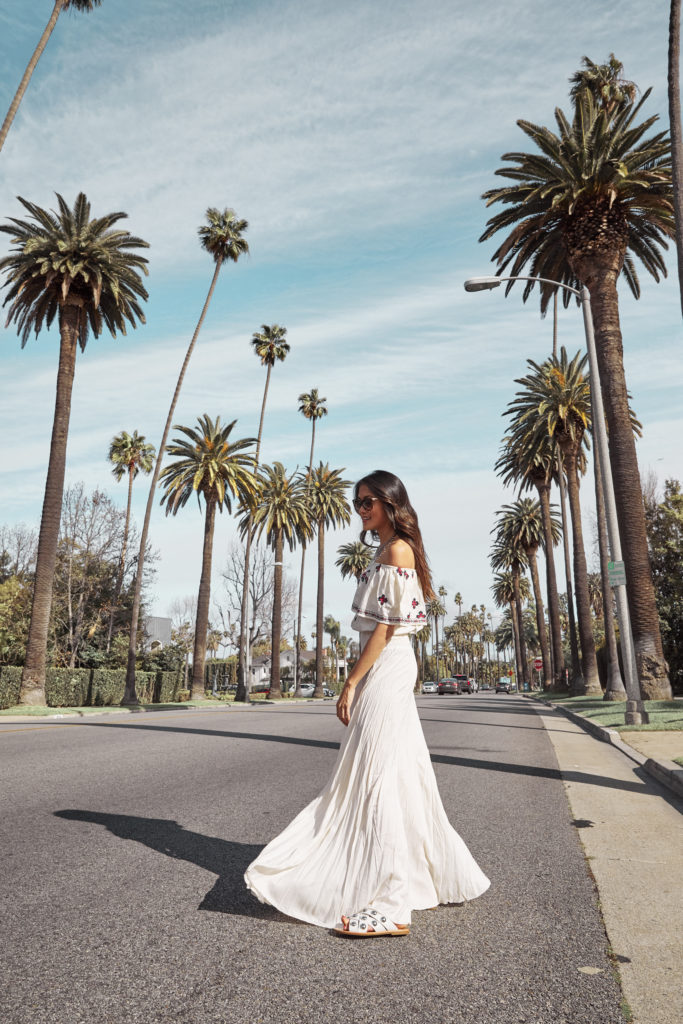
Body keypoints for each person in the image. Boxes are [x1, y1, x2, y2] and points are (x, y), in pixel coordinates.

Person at [244, 469, 490, 937]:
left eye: (369, 502)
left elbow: (385, 628)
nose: (361, 510)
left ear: (391, 503)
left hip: (388, 664)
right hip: (383, 663)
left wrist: (351, 682)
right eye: (357, 503)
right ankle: (414, 877)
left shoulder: (397, 548)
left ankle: (394, 903)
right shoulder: (382, 549)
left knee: (375, 773)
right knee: (398, 772)